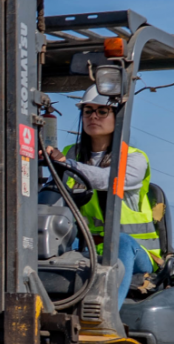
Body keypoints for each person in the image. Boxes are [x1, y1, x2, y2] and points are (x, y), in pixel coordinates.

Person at [44, 87, 161, 290]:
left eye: (102, 111)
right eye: (88, 111)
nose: (93, 117)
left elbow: (106, 180)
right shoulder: (70, 154)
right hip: (87, 248)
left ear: (118, 116)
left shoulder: (134, 159)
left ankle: (106, 317)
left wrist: (67, 165)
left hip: (136, 253)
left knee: (120, 241)